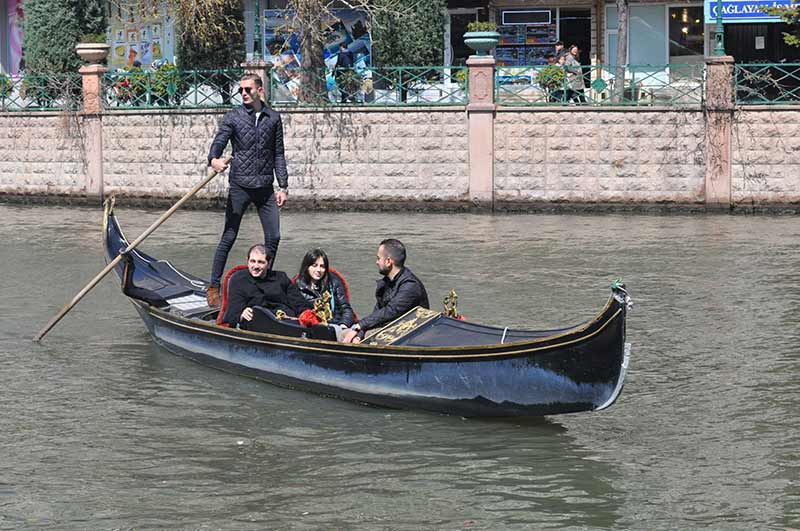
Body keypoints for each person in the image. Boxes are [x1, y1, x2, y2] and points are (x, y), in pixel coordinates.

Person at [206, 74, 289, 307]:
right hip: (240, 186)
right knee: (229, 237)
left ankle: (263, 283)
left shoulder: (273, 118)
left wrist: (283, 186)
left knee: (274, 237)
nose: (243, 93)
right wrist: (214, 160)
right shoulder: (234, 117)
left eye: (248, 89)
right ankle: (213, 285)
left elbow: (278, 153)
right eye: (240, 89)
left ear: (259, 90)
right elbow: (219, 142)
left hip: (264, 188)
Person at [342, 239, 429, 344]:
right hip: (391, 332)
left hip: (412, 337)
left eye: (378, 258)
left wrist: (359, 326)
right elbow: (377, 314)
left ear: (388, 261)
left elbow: (391, 311)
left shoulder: (410, 286)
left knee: (362, 337)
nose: (376, 262)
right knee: (345, 335)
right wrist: (359, 334)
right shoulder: (385, 283)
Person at [221, 244, 311, 328]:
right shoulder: (238, 280)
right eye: (252, 261)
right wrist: (241, 314)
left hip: (287, 322)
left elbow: (299, 302)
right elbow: (232, 314)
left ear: (268, 263)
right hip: (257, 325)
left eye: (260, 262)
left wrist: (305, 315)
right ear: (247, 261)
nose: (255, 266)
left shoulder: (281, 278)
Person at [295, 248, 355, 328]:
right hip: (311, 328)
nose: (319, 270)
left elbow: (346, 309)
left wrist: (343, 325)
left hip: (335, 325)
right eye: (314, 266)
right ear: (307, 267)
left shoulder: (334, 282)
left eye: (322, 266)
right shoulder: (298, 286)